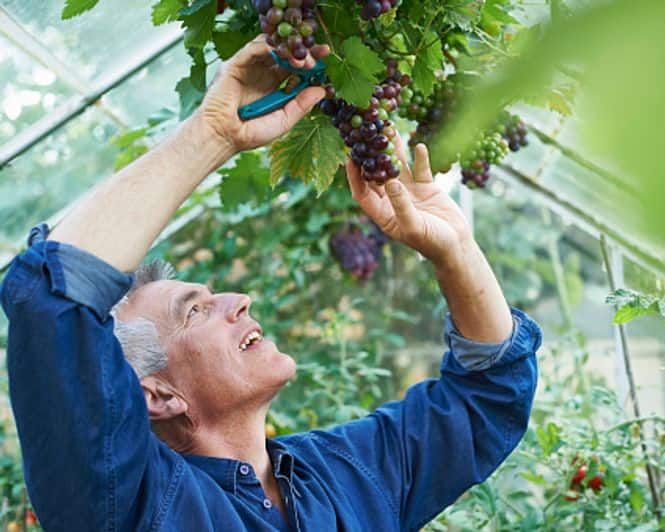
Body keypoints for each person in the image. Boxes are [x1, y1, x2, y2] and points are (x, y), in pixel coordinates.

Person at [0, 36, 540, 532]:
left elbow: (486, 394)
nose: (238, 300)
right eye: (195, 311)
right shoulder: (125, 505)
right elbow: (51, 296)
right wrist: (212, 134)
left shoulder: (345, 473)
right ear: (156, 394)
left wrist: (456, 252)